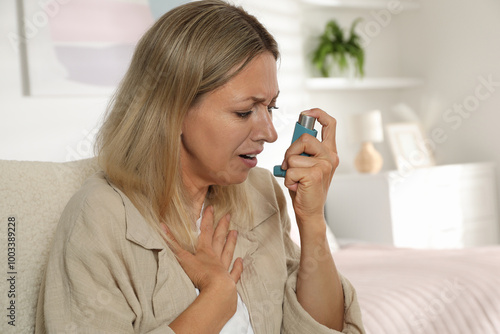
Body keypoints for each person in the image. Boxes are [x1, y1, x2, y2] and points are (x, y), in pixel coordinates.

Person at [35, 1, 364, 333]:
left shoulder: (261, 193)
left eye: (270, 107)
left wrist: (311, 221)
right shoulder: (100, 219)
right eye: (244, 111)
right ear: (172, 110)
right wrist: (216, 300)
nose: (270, 132)